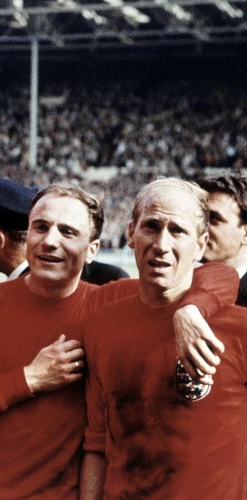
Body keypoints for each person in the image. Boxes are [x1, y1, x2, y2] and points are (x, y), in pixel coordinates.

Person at [0, 183, 235, 498]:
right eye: (40, 227)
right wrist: (28, 379)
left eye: (68, 232)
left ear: (93, 250)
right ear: (27, 234)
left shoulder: (107, 304)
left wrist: (192, 309)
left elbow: (222, 275)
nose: (50, 241)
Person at [81, 178, 247, 498]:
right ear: (131, 232)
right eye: (152, 226)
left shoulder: (238, 328)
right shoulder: (102, 323)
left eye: (178, 231)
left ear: (200, 245)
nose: (162, 244)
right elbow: (97, 443)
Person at [197, 173, 247, 305]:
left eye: (214, 219)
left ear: (245, 233)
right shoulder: (184, 288)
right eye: (199, 218)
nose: (201, 228)